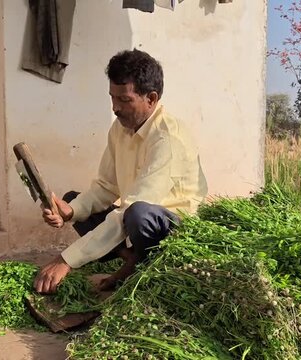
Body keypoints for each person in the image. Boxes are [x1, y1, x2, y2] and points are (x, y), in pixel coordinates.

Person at [33, 49, 208, 293]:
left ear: (151, 98)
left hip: (173, 228)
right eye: (112, 98)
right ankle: (133, 261)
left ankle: (143, 267)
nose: (115, 108)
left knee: (137, 214)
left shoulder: (167, 139)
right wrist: (70, 211)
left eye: (124, 100)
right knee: (75, 200)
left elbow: (132, 207)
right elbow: (106, 187)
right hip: (134, 212)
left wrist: (65, 261)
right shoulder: (120, 127)